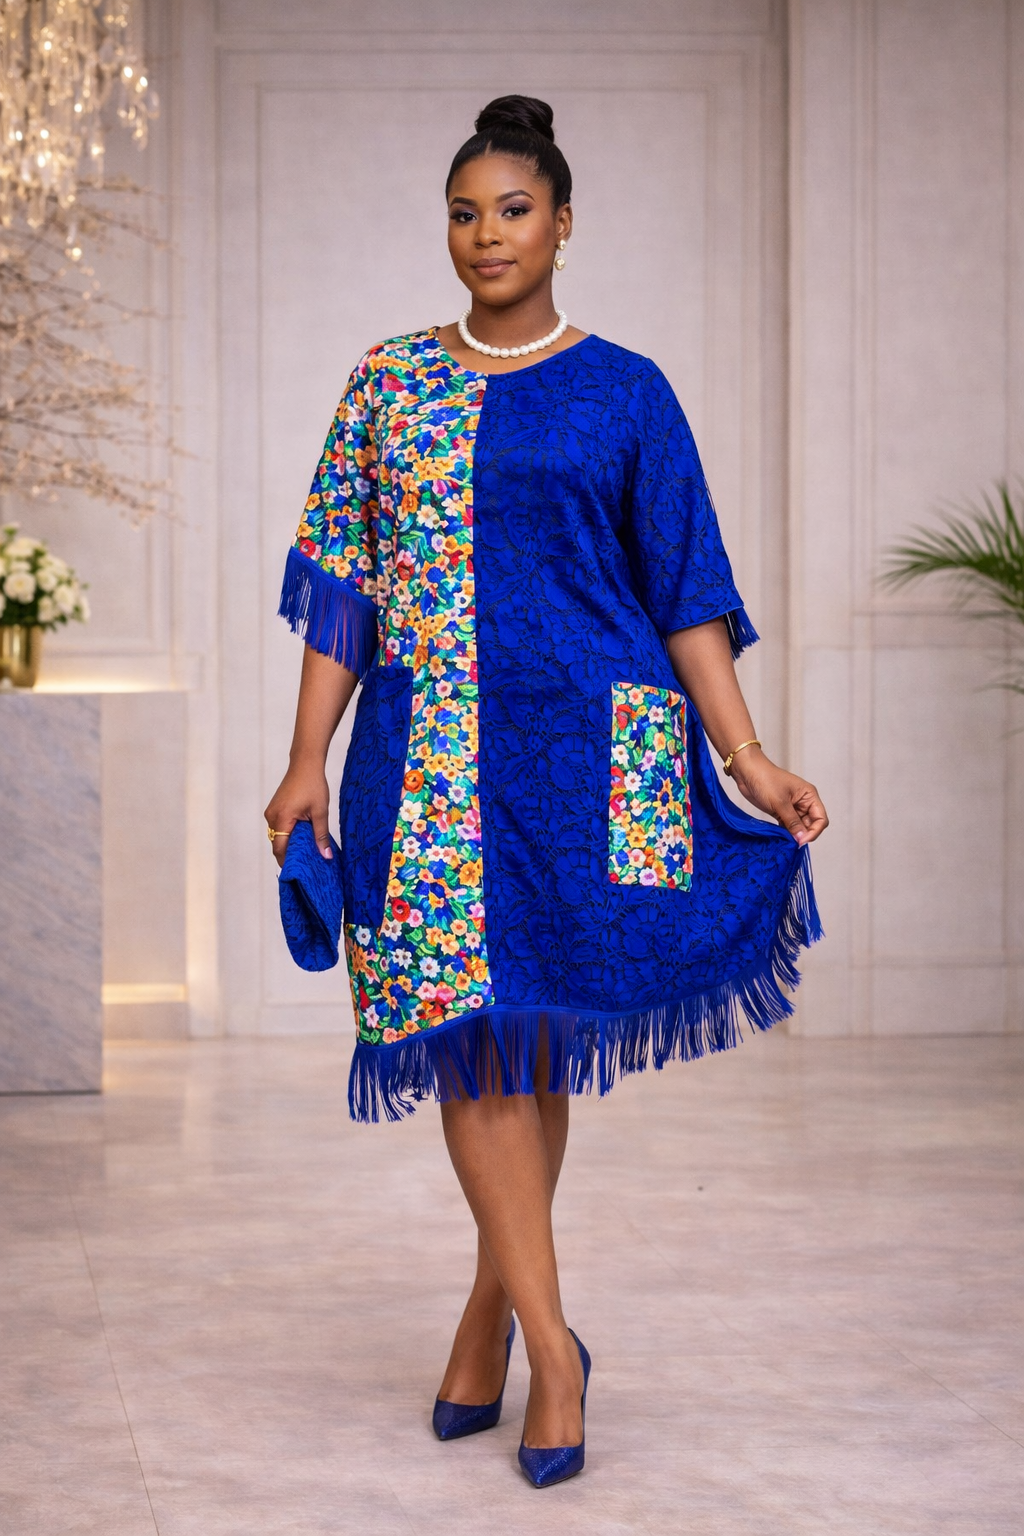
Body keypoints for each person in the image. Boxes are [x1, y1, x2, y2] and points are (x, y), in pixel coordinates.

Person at [265, 94, 827, 1489]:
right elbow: (345, 590)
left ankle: (499, 1320)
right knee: (468, 1036)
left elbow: (684, 590)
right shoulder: (387, 382)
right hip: (425, 757)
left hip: (586, 753)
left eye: (513, 210)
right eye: (464, 213)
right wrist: (304, 759)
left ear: (564, 224)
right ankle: (550, 1341)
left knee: (523, 1040)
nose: (487, 234)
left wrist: (748, 756)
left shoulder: (628, 389)